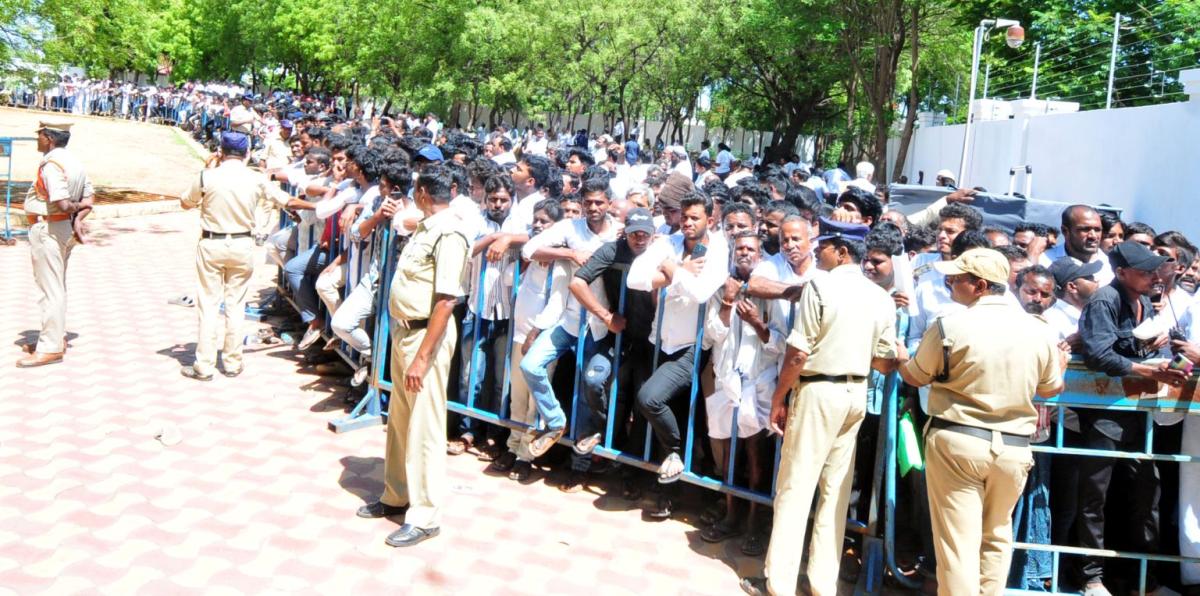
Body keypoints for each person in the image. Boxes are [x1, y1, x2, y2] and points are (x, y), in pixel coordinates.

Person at [740, 218, 899, 596]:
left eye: (824, 245)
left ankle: (778, 581)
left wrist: (780, 398)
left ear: (842, 251)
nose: (817, 251)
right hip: (855, 394)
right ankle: (822, 583)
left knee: (795, 488)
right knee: (835, 491)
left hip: (817, 391)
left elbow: (797, 353)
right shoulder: (880, 296)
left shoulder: (820, 284)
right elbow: (885, 360)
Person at [896, 248, 1064, 595]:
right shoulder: (1038, 329)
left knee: (958, 544)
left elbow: (915, 375)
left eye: (956, 279)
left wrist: (900, 358)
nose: (950, 284)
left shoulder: (950, 323)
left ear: (980, 286)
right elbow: (1050, 387)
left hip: (959, 442)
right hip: (1014, 447)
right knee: (997, 536)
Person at [357, 165, 469, 548]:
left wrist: (423, 358)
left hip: (426, 338)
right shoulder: (426, 227)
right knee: (401, 419)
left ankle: (425, 515)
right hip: (406, 332)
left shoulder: (449, 233)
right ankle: (397, 495)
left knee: (424, 426)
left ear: (422, 193)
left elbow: (446, 300)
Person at [1075, 240, 1188, 595]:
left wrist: (1150, 350)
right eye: (1145, 271)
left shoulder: (1139, 301)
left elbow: (1118, 351)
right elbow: (1098, 355)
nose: (1155, 276)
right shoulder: (1105, 300)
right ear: (1122, 273)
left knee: (1145, 495)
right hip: (1105, 416)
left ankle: (1141, 579)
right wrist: (1149, 371)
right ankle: (1090, 577)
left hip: (1136, 417)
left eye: (1156, 269)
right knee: (1095, 497)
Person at [628, 191, 729, 489]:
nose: (686, 223)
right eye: (684, 217)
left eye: (694, 218)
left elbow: (700, 293)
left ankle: (675, 452)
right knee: (651, 409)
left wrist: (670, 269)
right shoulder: (669, 242)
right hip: (659, 341)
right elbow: (635, 277)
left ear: (709, 220)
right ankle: (661, 483)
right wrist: (680, 272)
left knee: (651, 399)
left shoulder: (719, 251)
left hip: (691, 347)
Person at [179, 132, 290, 380]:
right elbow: (284, 200)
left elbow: (186, 203)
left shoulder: (207, 176)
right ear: (247, 153)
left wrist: (208, 169)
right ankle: (232, 362)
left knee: (208, 305)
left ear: (221, 150)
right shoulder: (257, 179)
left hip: (212, 242)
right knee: (235, 305)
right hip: (242, 244)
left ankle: (204, 366)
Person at [18, 121, 94, 368]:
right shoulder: (74, 162)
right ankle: (53, 338)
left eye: (40, 135)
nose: (38, 139)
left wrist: (74, 210)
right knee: (57, 286)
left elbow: (61, 202)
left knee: (50, 290)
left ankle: (50, 347)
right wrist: (79, 218)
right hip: (63, 228)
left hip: (49, 228)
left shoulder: (52, 164)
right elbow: (90, 196)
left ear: (49, 138)